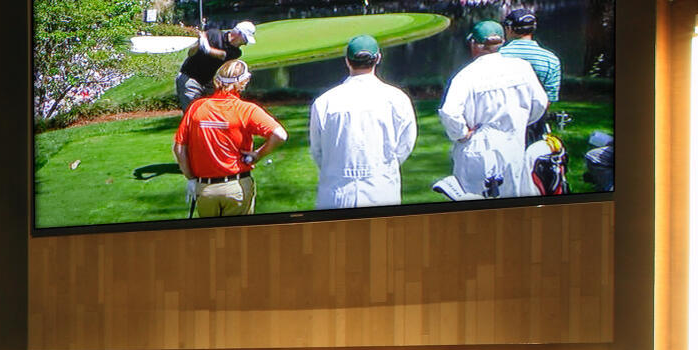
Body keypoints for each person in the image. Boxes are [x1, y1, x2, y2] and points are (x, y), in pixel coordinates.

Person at [435, 20, 549, 201]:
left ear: (474, 44)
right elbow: (540, 103)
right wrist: (522, 122)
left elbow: (449, 112)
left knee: (474, 201)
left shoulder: (467, 75)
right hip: (513, 143)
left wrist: (462, 133)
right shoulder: (521, 68)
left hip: (478, 147)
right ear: (502, 42)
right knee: (515, 199)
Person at [308, 33, 419, 210]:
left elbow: (318, 149)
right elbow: (405, 144)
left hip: (335, 194)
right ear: (378, 58)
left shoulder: (324, 102)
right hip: (382, 189)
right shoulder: (397, 99)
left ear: (347, 61)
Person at [172, 58, 287, 215]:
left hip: (205, 189)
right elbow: (280, 135)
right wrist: (257, 155)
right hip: (236, 187)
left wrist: (191, 179)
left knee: (211, 238)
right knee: (238, 238)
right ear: (243, 82)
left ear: (216, 80)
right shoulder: (247, 110)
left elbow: (179, 148)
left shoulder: (196, 107)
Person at [172, 20, 259, 107]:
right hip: (190, 79)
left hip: (208, 84)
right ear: (239, 34)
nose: (245, 44)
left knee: (211, 113)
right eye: (245, 40)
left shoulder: (236, 52)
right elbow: (190, 53)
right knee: (192, 112)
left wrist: (206, 47)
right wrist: (199, 44)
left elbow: (222, 55)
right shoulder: (213, 34)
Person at [500, 5, 563, 100]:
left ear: (509, 28)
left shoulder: (498, 56)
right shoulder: (551, 60)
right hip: (537, 113)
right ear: (533, 29)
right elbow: (549, 98)